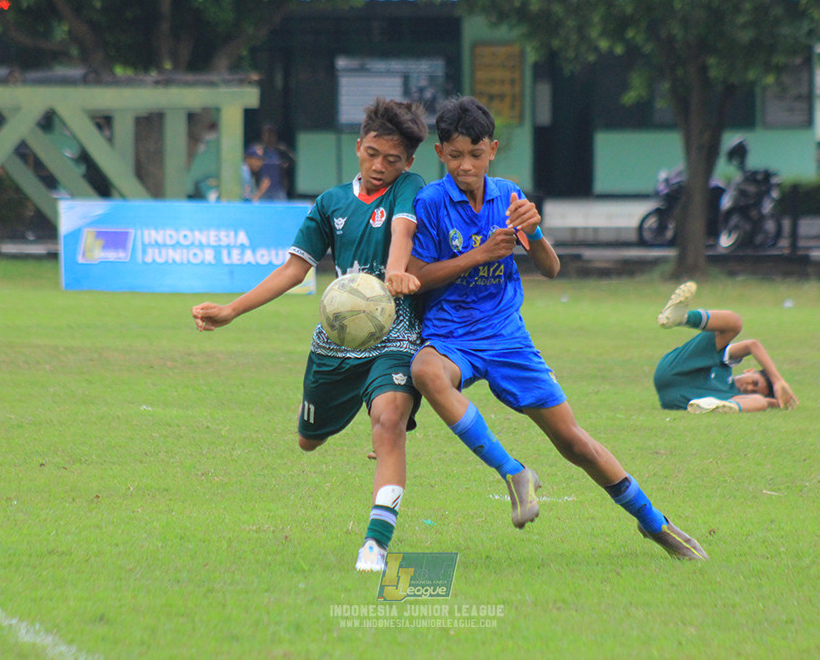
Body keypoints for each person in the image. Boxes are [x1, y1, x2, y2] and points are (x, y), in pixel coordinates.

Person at [407, 96, 707, 561]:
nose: (466, 165)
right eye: (455, 155)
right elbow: (414, 277)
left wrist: (538, 234)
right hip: (450, 334)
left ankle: (655, 524)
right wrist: (478, 255)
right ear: (440, 154)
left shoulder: (508, 195)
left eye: (476, 154)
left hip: (507, 336)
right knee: (426, 372)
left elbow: (550, 268)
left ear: (492, 149)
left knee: (573, 442)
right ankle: (513, 472)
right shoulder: (428, 202)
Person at [192, 98, 428, 572]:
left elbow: (403, 230)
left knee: (388, 423)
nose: (381, 167)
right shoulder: (331, 203)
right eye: (373, 155)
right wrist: (233, 310)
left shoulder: (410, 188)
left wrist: (397, 272)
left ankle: (375, 545)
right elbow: (293, 269)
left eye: (393, 159)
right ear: (358, 147)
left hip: (397, 333)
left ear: (409, 162)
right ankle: (335, 413)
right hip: (337, 340)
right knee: (307, 442)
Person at [654, 281, 799, 414]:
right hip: (673, 370)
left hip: (679, 400)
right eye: (754, 382)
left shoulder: (735, 396)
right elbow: (751, 345)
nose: (748, 388)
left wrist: (776, 402)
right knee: (734, 322)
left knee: (761, 403)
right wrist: (777, 381)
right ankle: (683, 318)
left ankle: (714, 407)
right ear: (749, 371)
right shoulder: (725, 362)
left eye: (754, 391)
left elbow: (762, 401)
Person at [249, 123, 295, 201]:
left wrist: (285, 165)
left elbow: (292, 160)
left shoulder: (281, 150)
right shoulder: (257, 150)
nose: (269, 138)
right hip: (262, 188)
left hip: (278, 189)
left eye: (271, 135)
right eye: (267, 135)